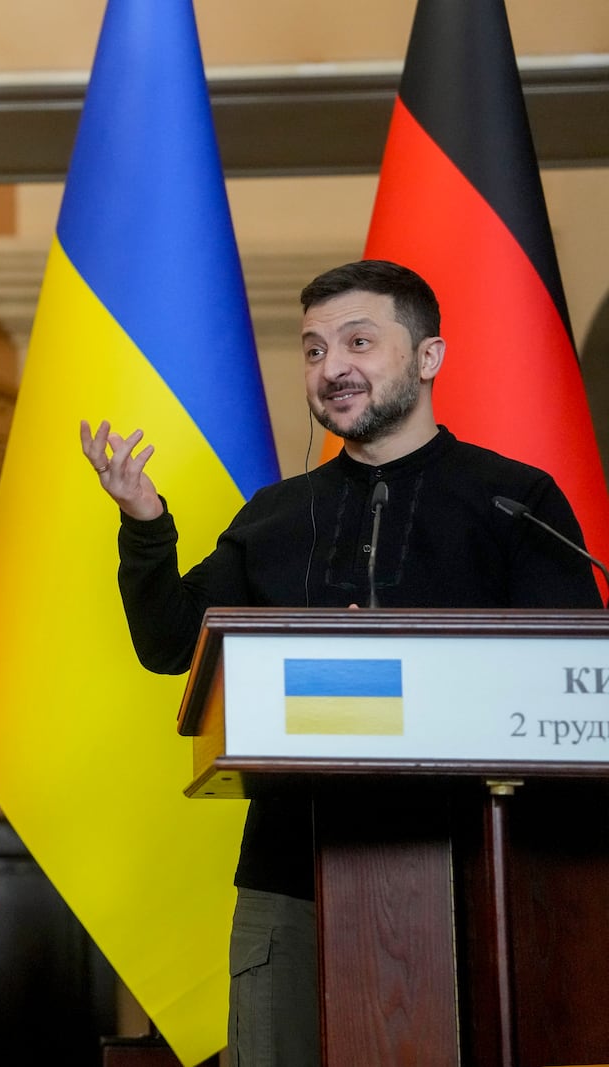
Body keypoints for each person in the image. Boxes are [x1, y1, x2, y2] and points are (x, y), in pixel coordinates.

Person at [80, 259, 601, 1066]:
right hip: (293, 876)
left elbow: (568, 687)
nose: (333, 368)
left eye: (359, 341)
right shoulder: (277, 515)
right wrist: (146, 524)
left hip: (480, 873)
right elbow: (170, 644)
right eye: (315, 350)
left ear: (428, 357)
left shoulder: (513, 500)